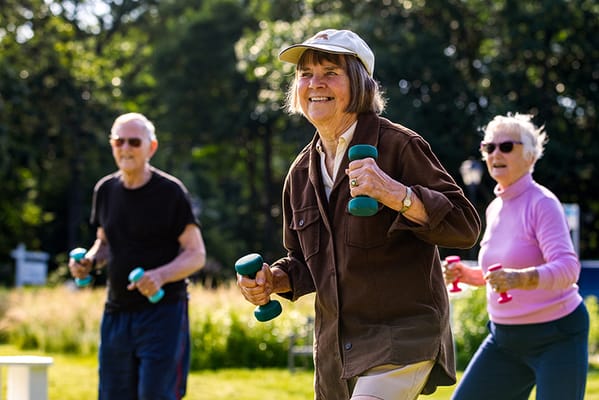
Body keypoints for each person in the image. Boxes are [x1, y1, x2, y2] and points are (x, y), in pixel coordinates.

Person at [236, 29, 481, 400]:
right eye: (305, 74)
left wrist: (396, 193)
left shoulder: (400, 145)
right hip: (336, 355)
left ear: (361, 84)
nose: (315, 83)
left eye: (330, 72)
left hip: (401, 338)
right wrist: (272, 280)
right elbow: (304, 265)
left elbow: (465, 227)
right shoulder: (301, 173)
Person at [444, 113, 589, 400]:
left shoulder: (542, 203)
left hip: (557, 338)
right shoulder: (495, 208)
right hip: (505, 341)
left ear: (531, 156)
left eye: (506, 146)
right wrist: (469, 276)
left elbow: (568, 268)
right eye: (489, 147)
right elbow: (500, 276)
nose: (496, 153)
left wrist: (519, 279)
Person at [69, 112, 206, 400]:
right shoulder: (105, 190)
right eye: (119, 141)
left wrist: (159, 275)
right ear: (112, 145)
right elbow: (104, 242)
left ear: (151, 147)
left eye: (134, 142)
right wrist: (89, 262)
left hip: (163, 314)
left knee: (156, 395)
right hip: (116, 313)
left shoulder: (171, 192)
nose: (126, 148)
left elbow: (196, 254)